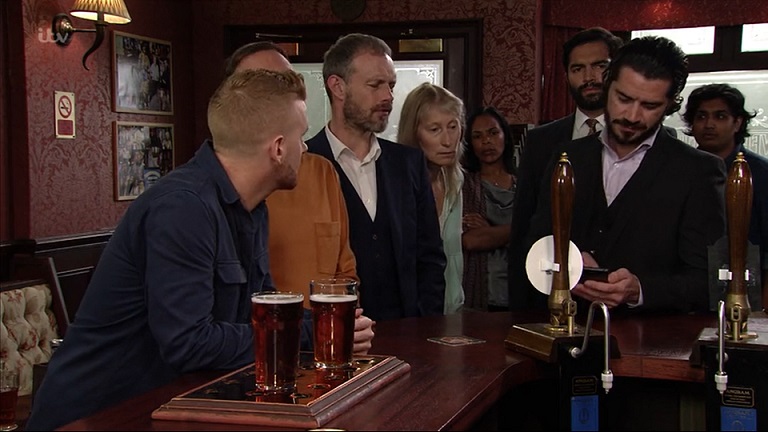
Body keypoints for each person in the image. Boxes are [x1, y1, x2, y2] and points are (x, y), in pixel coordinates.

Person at [26, 69, 309, 430]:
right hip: (96, 417)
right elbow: (189, 344)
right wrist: (309, 334)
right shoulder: (183, 208)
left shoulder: (253, 208)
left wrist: (325, 324)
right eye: (302, 136)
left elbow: (260, 316)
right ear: (278, 148)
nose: (305, 148)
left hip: (166, 410)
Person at [525, 36, 727, 314]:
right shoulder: (568, 157)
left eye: (649, 106)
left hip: (649, 336)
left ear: (669, 105)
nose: (632, 116)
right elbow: (534, 242)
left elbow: (709, 281)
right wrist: (567, 259)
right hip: (568, 328)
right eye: (624, 99)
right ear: (607, 86)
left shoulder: (698, 172)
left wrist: (639, 290)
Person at [224, 41, 375, 353]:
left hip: (319, 348)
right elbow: (197, 335)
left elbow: (345, 272)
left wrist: (339, 331)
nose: (283, 94)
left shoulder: (321, 172)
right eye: (265, 84)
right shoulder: (214, 195)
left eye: (288, 82)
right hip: (257, 354)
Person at [306, 33, 446, 322]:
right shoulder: (305, 164)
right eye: (375, 85)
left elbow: (430, 257)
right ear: (338, 86)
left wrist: (424, 324)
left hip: (408, 334)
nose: (388, 97)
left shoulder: (408, 163)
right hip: (334, 334)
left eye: (391, 85)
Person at [508, 27, 625, 311]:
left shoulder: (639, 138)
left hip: (620, 297)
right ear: (566, 75)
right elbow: (524, 225)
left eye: (599, 66)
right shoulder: (541, 141)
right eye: (578, 69)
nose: (589, 77)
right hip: (552, 296)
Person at [682, 83, 767, 307]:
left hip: (748, 293)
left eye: (720, 116)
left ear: (737, 122)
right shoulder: (678, 170)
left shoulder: (758, 173)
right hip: (686, 292)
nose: (709, 125)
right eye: (701, 116)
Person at [397, 82, 465, 314]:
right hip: (411, 317)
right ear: (414, 133)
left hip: (452, 311)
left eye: (453, 127)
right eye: (435, 129)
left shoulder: (455, 181)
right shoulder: (397, 186)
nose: (448, 140)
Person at [462, 107, 517, 311]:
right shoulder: (465, 185)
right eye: (477, 136)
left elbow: (536, 238)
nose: (486, 141)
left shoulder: (523, 185)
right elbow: (472, 240)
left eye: (493, 133)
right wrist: (517, 231)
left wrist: (490, 231)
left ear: (505, 136)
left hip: (518, 291)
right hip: (480, 294)